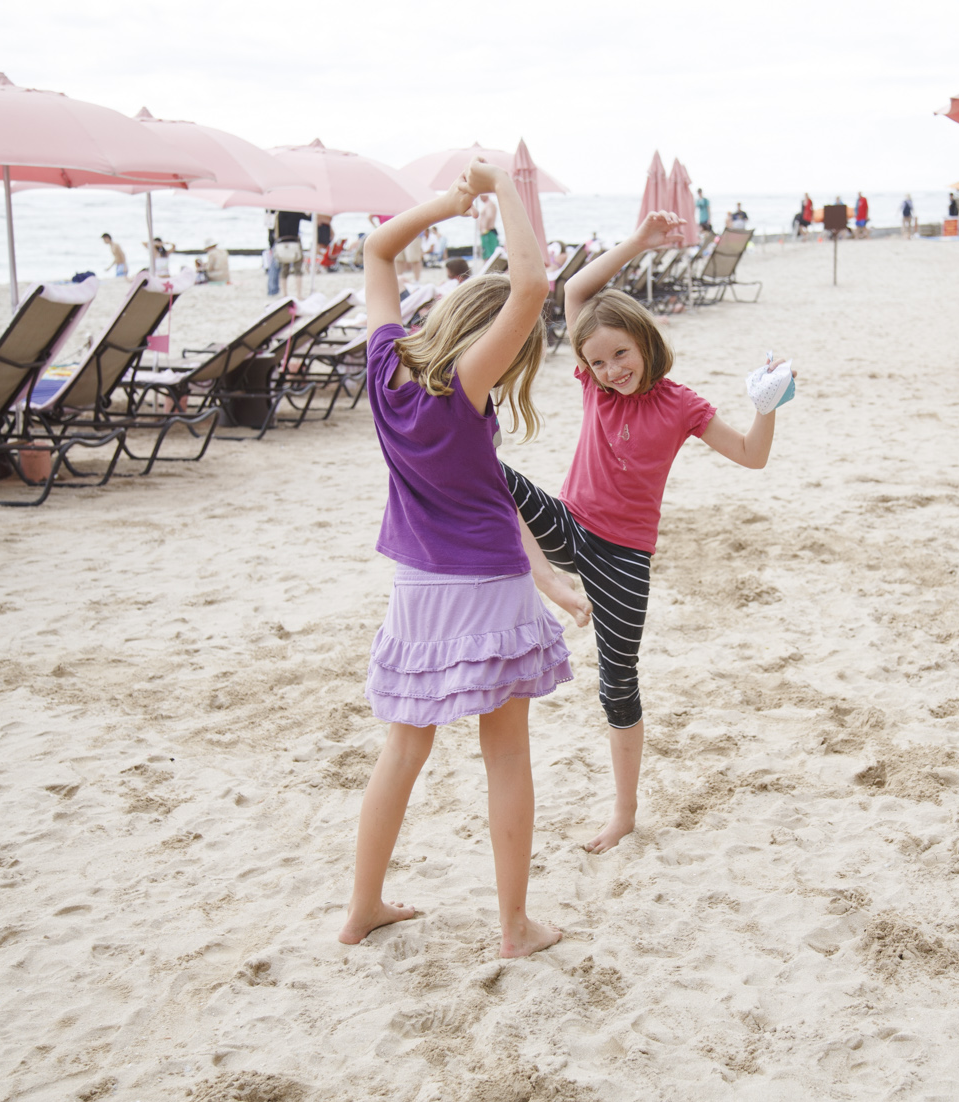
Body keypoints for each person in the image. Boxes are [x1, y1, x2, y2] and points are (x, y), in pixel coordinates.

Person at [502, 209, 795, 855]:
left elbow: (752, 456)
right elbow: (576, 291)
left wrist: (766, 405)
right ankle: (545, 580)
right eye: (597, 361)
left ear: (643, 340)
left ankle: (624, 814)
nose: (611, 369)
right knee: (489, 473)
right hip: (569, 527)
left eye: (620, 355)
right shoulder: (595, 389)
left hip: (624, 558)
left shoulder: (680, 404)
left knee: (618, 683)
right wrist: (636, 241)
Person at [339, 158, 567, 959]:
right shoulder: (464, 385)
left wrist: (448, 202)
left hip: (416, 586)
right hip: (487, 585)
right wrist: (498, 184)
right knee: (504, 754)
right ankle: (514, 927)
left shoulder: (386, 367)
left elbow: (376, 251)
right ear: (489, 340)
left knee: (404, 748)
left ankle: (361, 907)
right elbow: (532, 283)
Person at [273, 210, 308, 299]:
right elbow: (309, 218)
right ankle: (299, 294)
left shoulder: (279, 213)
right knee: (298, 269)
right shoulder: (296, 212)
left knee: (284, 269)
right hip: (294, 242)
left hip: (282, 243)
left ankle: (284, 294)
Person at [474, 195, 500, 260]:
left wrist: (484, 228)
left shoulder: (490, 204)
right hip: (487, 232)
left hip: (488, 232)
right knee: (487, 254)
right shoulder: (488, 204)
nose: (480, 198)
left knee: (489, 255)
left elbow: (489, 216)